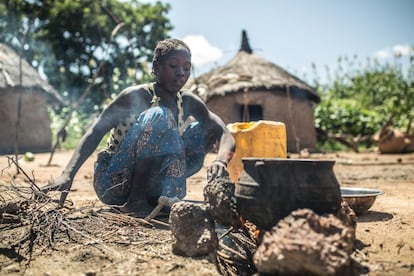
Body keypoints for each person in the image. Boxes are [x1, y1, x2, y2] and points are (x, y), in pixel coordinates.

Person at [41, 38, 235, 216]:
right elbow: (95, 131)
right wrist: (67, 174)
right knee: (160, 115)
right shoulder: (134, 96)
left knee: (199, 131)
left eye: (186, 67)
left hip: (154, 186)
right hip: (114, 182)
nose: (181, 73)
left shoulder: (188, 101)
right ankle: (135, 202)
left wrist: (220, 161)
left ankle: (163, 198)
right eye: (173, 66)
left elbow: (224, 132)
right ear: (156, 67)